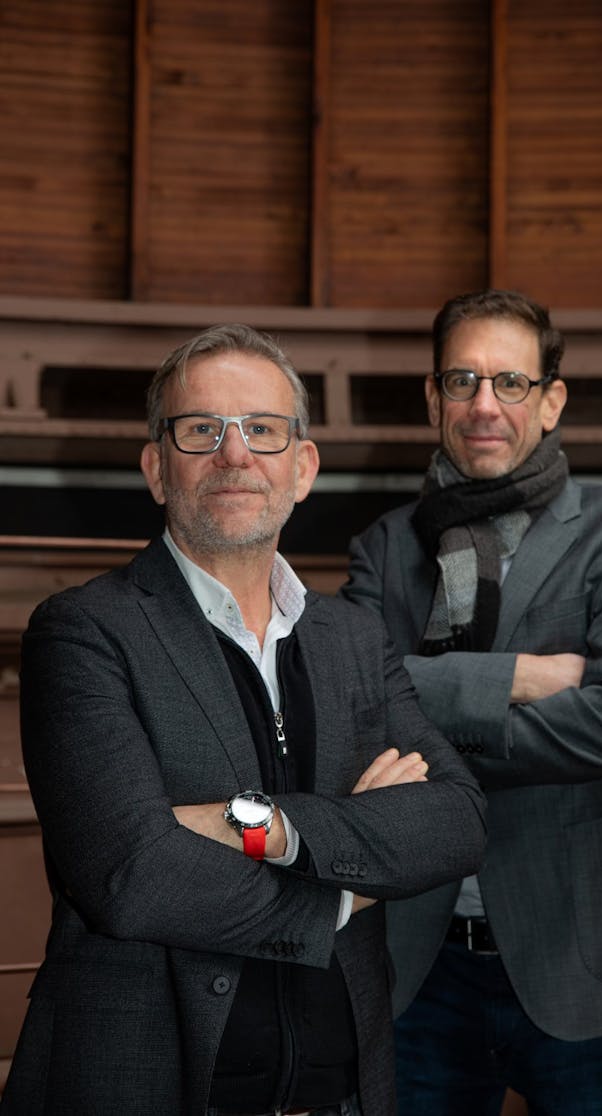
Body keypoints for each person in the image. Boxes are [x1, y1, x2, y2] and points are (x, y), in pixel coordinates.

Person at [2, 324, 487, 1116]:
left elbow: (458, 818)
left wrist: (252, 825)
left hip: (343, 1093)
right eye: (202, 431)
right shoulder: (84, 631)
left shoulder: (355, 639)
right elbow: (133, 876)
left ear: (303, 468)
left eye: (263, 430)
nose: (236, 455)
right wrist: (342, 890)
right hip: (147, 1087)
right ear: (158, 469)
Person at [340, 289, 602, 1115]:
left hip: (590, 963)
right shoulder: (381, 548)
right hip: (419, 966)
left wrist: (426, 714)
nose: (485, 405)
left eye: (511, 383)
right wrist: (522, 677)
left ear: (550, 402)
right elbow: (352, 713)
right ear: (433, 397)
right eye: (463, 379)